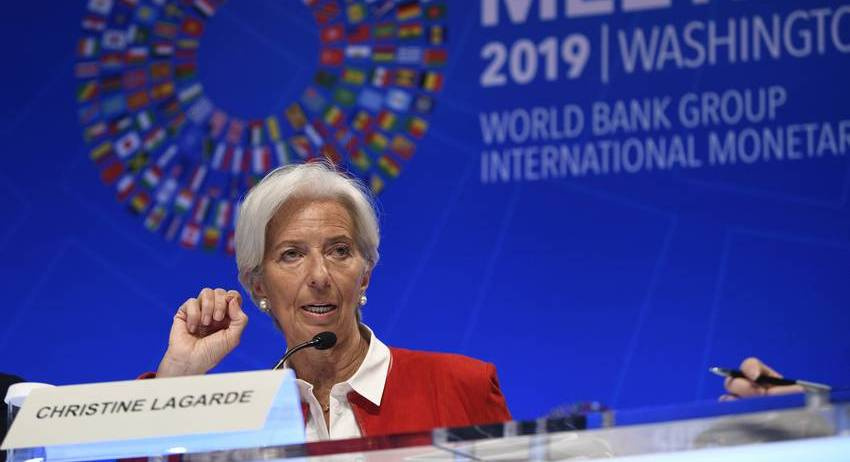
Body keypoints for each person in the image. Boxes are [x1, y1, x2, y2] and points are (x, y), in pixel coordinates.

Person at [153, 162, 511, 441]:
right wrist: (177, 376)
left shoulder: (461, 389)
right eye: (292, 254)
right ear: (258, 285)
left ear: (365, 274)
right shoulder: (237, 420)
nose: (320, 276)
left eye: (339, 251)